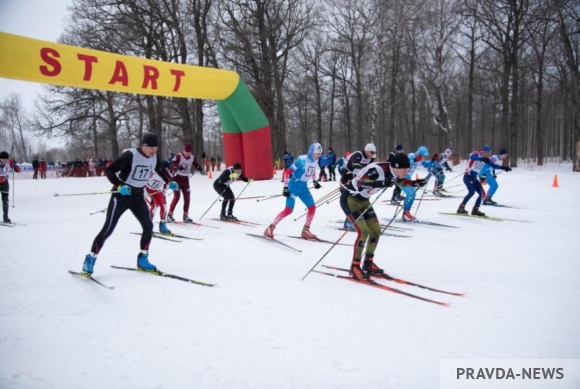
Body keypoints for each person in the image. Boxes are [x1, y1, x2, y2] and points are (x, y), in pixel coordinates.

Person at [80, 132, 178, 275]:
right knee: (108, 229)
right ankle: (90, 258)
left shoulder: (154, 157)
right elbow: (110, 170)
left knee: (148, 225)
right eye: (151, 148)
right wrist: (119, 185)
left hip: (138, 196)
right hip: (121, 195)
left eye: (156, 148)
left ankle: (142, 259)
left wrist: (170, 181)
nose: (153, 151)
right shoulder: (130, 156)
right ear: (144, 146)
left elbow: (159, 171)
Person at [339, 159, 399, 280]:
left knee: (376, 230)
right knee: (363, 232)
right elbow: (362, 181)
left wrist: (415, 183)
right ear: (397, 167)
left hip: (364, 201)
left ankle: (368, 263)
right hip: (350, 199)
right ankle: (354, 267)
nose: (407, 171)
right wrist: (381, 183)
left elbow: (402, 182)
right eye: (405, 169)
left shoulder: (395, 173)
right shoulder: (378, 170)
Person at [264, 142, 323, 239]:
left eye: (320, 154)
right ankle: (270, 228)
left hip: (303, 188)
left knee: (312, 207)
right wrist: (285, 188)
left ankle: (306, 231)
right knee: (288, 210)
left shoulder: (315, 161)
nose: (319, 155)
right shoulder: (301, 160)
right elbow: (287, 172)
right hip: (293, 187)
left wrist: (315, 182)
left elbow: (312, 171)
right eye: (317, 153)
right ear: (312, 152)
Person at [457, 145, 511, 216]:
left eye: (490, 153)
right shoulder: (476, 154)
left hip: (474, 178)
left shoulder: (486, 159)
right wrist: (481, 159)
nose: (489, 155)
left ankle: (475, 209)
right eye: (488, 153)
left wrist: (504, 167)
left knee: (482, 194)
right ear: (484, 152)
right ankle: (461, 207)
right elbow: (472, 157)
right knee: (471, 192)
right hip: (468, 177)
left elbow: (493, 166)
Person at [167, 143, 205, 223]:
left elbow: (196, 164)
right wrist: (176, 167)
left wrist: (201, 169)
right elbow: (172, 164)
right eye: (186, 151)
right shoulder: (178, 156)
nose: (187, 153)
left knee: (187, 198)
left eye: (189, 152)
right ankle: (170, 215)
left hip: (185, 180)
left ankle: (185, 215)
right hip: (176, 179)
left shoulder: (191, 157)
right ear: (183, 150)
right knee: (176, 197)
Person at [399, 146, 431, 221]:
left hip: (408, 178)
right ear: (418, 153)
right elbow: (403, 164)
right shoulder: (411, 156)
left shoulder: (420, 159)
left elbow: (427, 165)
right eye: (423, 155)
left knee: (413, 194)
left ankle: (407, 212)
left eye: (425, 156)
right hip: (401, 177)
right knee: (409, 194)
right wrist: (414, 160)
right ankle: (405, 214)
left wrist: (434, 160)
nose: (423, 157)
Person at [145, 160, 173, 234]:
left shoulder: (167, 175)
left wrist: (163, 196)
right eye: (166, 169)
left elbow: (165, 187)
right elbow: (143, 181)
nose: (167, 171)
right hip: (147, 190)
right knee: (155, 205)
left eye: (168, 169)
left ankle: (162, 225)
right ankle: (148, 226)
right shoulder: (153, 173)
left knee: (164, 206)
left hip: (157, 191)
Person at [0, 151, 22, 223]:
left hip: (5, 183)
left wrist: (15, 165)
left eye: (6, 159)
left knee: (5, 200)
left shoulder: (9, 162)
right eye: (3, 159)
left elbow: (18, 170)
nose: (5, 161)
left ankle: (5, 216)